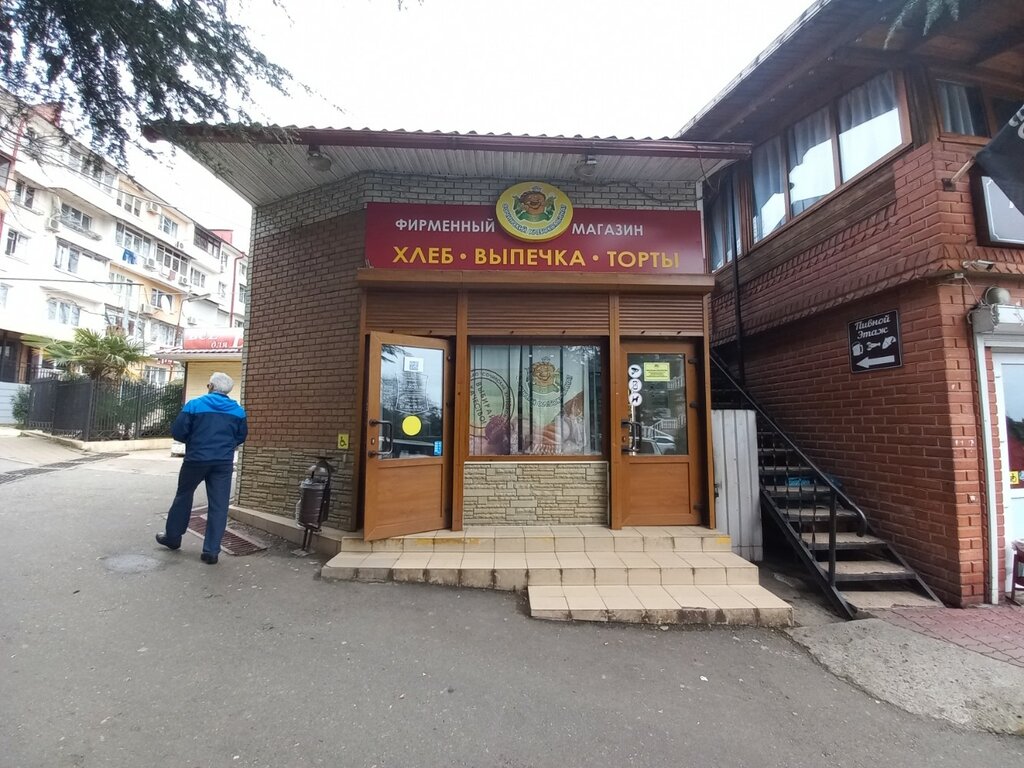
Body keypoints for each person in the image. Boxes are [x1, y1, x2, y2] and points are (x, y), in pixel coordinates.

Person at [156, 371, 248, 564]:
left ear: (211, 387)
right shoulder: (238, 411)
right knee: (219, 505)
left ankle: (172, 538)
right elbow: (240, 437)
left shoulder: (194, 405)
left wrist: (196, 440)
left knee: (184, 495)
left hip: (196, 460)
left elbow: (178, 433)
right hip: (222, 462)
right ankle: (211, 551)